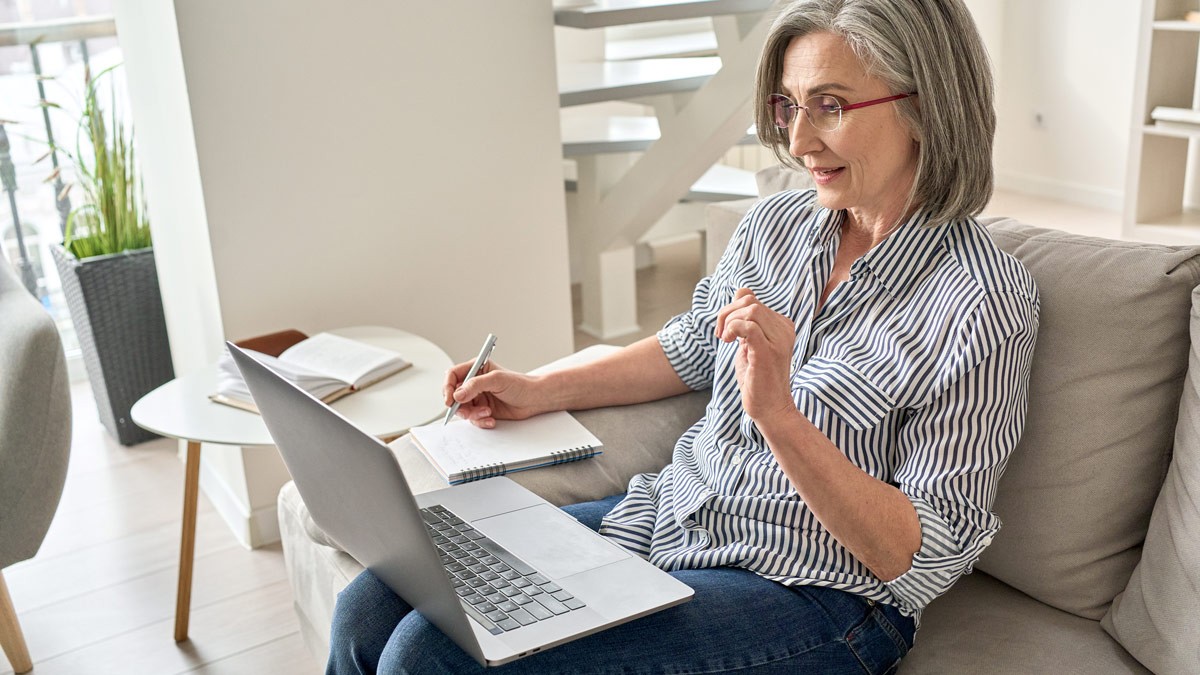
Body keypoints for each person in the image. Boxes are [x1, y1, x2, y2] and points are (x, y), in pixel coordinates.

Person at [327, 0, 1039, 672]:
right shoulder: (778, 228)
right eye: (789, 106)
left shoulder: (985, 300)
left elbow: (920, 555)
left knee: (432, 652)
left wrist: (779, 418)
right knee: (371, 602)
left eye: (831, 105)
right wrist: (537, 390)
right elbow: (695, 344)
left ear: (926, 104)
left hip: (818, 597)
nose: (797, 141)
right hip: (669, 518)